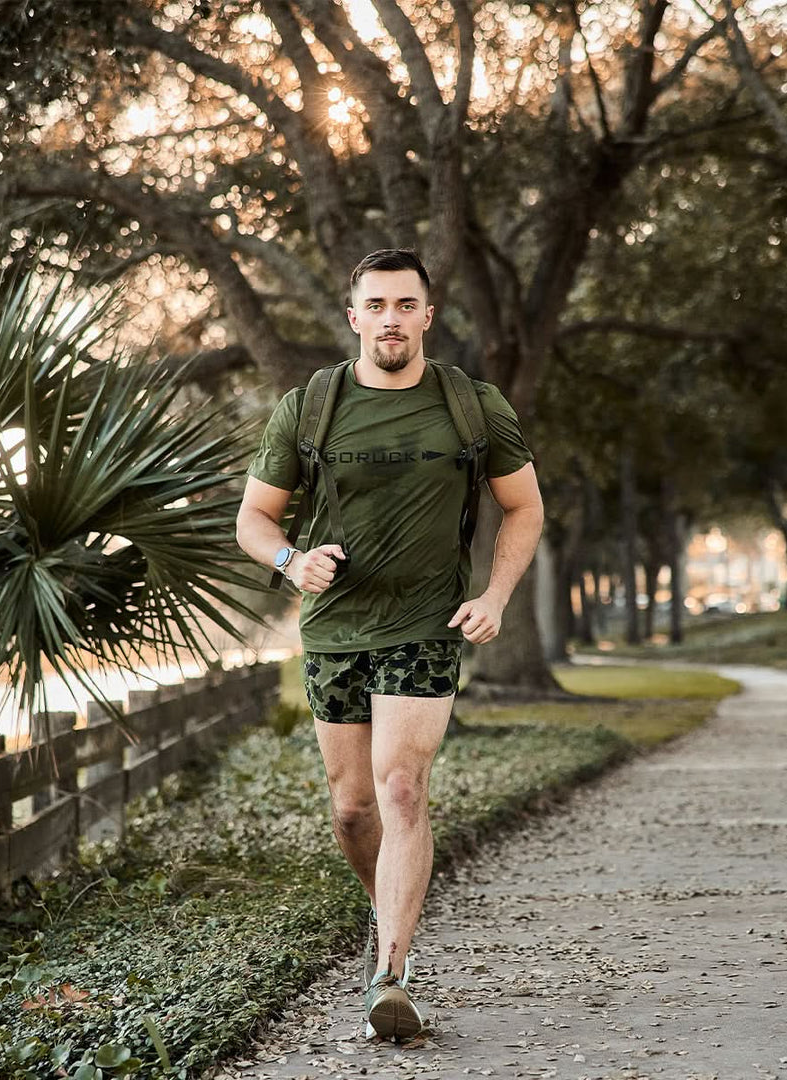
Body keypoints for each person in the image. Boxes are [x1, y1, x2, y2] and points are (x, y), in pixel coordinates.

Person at [236, 248, 543, 1041]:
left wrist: (495, 596)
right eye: (376, 306)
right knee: (350, 811)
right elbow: (254, 520)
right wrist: (290, 561)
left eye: (406, 305)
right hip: (335, 629)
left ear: (428, 316)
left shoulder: (470, 404)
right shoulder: (312, 406)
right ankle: (394, 917)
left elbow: (525, 507)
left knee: (402, 788)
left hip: (428, 622)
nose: (391, 319)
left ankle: (390, 974)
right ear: (353, 317)